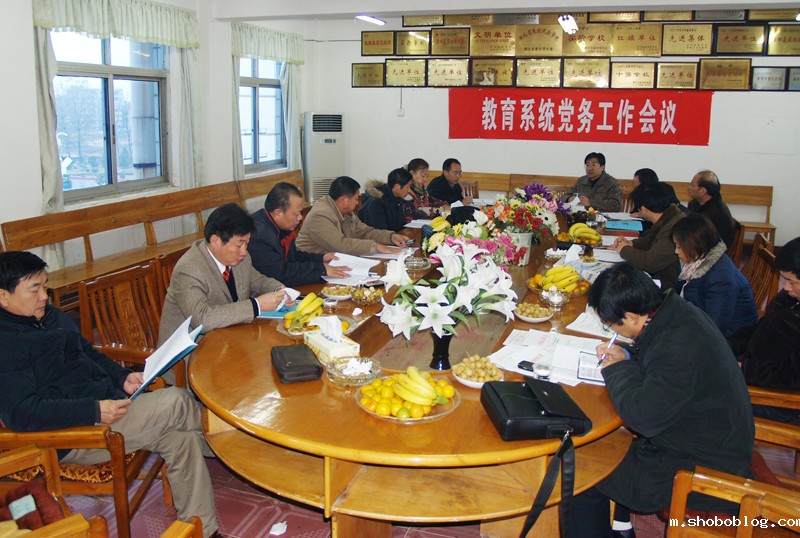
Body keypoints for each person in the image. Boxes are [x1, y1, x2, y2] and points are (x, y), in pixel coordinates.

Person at [0, 252, 222, 538]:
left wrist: (121, 376)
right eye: (35, 289)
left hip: (107, 405)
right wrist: (94, 410)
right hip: (75, 433)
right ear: (3, 296)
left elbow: (88, 353)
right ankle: (236, 440)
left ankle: (202, 530)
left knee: (181, 439)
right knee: (177, 401)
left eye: (45, 286)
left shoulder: (49, 317)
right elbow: (21, 414)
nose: (45, 296)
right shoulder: (6, 344)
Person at [569, 263, 753, 538]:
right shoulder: (674, 312)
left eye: (611, 325)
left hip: (701, 468)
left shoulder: (679, 345)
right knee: (601, 444)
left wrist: (617, 368)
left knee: (580, 467)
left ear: (632, 317)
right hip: (698, 439)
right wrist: (628, 355)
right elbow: (656, 360)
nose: (612, 331)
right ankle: (620, 526)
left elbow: (642, 419)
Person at [159, 203, 288, 345]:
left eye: (247, 244)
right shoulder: (189, 269)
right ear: (215, 240)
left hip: (228, 338)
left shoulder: (240, 259)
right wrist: (255, 306)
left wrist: (279, 290)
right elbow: (202, 319)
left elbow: (257, 281)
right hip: (192, 351)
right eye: (239, 245)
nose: (244, 252)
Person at [728, 237, 800, 418]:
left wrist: (744, 368)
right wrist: (725, 346)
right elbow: (759, 329)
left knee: (697, 400)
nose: (786, 287)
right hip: (752, 373)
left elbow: (792, 376)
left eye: (792, 282)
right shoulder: (791, 298)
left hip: (777, 399)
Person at [671, 214, 758, 338]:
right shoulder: (695, 261)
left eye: (679, 246)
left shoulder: (721, 279)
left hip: (729, 339)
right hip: (698, 324)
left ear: (695, 245)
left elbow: (714, 328)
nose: (676, 251)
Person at [249, 182, 349, 286]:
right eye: (296, 214)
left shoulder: (282, 225)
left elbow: (294, 257)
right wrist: (321, 269)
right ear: (278, 213)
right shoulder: (257, 235)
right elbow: (281, 273)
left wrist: (321, 258)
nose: (300, 218)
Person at [296, 176, 408, 256]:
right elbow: (340, 245)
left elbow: (365, 232)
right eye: (356, 199)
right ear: (344, 200)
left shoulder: (346, 213)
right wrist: (375, 246)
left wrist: (390, 237)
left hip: (335, 262)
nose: (357, 203)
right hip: (313, 267)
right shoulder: (320, 215)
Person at [612, 183, 685, 290]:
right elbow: (651, 238)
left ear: (644, 209)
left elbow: (650, 263)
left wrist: (624, 249)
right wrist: (631, 243)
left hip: (666, 283)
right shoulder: (669, 216)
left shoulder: (674, 228)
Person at [687, 170, 736, 249]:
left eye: (692, 185)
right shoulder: (694, 203)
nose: (689, 188)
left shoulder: (719, 215)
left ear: (702, 191)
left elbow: (714, 246)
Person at [358, 167, 414, 232]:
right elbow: (379, 233)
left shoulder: (397, 199)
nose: (409, 190)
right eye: (407, 187)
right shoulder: (375, 203)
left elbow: (400, 225)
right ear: (397, 187)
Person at [401, 158, 449, 222]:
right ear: (412, 173)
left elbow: (430, 200)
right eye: (423, 176)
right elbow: (415, 211)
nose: (425, 179)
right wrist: (440, 210)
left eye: (427, 176)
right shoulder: (406, 190)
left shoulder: (421, 188)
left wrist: (443, 204)